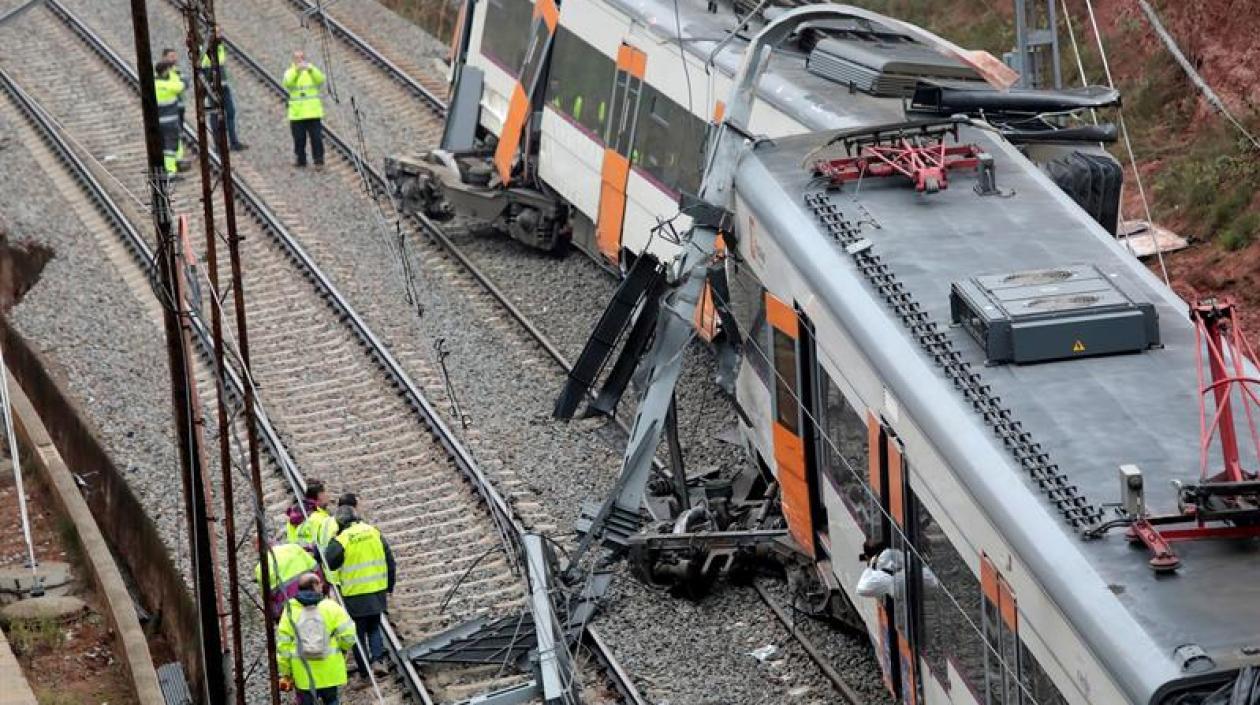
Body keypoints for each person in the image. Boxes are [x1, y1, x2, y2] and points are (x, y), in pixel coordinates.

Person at [324, 494, 395, 681]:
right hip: (377, 590)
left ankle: (365, 671)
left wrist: (333, 540)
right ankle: (378, 660)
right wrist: (390, 586)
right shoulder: (373, 531)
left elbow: (329, 562)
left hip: (355, 595)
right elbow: (390, 561)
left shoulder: (342, 539)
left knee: (357, 633)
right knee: (374, 627)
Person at [276, 572, 356, 705]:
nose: (322, 586)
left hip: (303, 674)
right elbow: (349, 636)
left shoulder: (290, 610)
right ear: (314, 585)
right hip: (330, 671)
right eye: (320, 584)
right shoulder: (331, 607)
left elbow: (283, 646)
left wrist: (286, 672)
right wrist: (342, 650)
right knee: (332, 701)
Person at [199, 30, 248, 151]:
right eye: (218, 32)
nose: (220, 34)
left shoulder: (219, 46)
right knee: (215, 115)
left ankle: (233, 142)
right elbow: (204, 66)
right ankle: (218, 145)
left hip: (224, 85)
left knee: (230, 112)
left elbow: (221, 63)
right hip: (213, 87)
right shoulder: (204, 48)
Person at [255, 541, 320, 619]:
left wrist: (276, 617)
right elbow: (316, 569)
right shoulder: (294, 547)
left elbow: (267, 600)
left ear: (257, 550)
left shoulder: (260, 567)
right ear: (272, 542)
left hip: (288, 611)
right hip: (312, 599)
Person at [282, 50, 325, 167]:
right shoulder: (290, 72)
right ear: (293, 60)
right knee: (299, 139)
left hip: (312, 112)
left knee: (316, 138)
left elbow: (321, 79)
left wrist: (311, 69)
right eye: (297, 58)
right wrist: (296, 71)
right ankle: (301, 159)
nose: (300, 61)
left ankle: (319, 160)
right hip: (297, 113)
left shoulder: (311, 71)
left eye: (301, 58)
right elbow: (287, 82)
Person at [287, 479, 339, 556]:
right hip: (317, 558)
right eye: (326, 493)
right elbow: (328, 544)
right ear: (320, 496)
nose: (328, 496)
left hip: (299, 556)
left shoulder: (293, 516)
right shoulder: (319, 518)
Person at [159, 48, 194, 159]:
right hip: (166, 110)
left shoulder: (177, 71)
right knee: (171, 135)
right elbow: (180, 85)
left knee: (178, 133)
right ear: (164, 58)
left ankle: (177, 156)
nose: (174, 59)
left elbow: (186, 82)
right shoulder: (161, 72)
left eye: (175, 56)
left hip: (179, 107)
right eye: (171, 56)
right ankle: (174, 157)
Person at [154, 59, 185, 178]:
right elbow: (182, 85)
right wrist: (174, 74)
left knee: (163, 146)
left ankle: (166, 169)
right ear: (166, 71)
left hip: (158, 122)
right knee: (170, 147)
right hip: (170, 121)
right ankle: (171, 172)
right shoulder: (169, 85)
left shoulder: (155, 84)